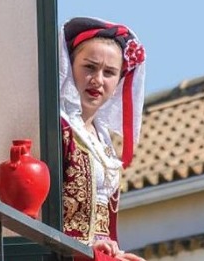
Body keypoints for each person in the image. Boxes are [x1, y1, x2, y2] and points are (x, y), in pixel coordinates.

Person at [59, 17, 147, 261]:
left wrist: (116, 254)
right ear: (70, 66)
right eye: (90, 67)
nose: (98, 80)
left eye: (109, 72)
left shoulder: (103, 141)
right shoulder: (60, 128)